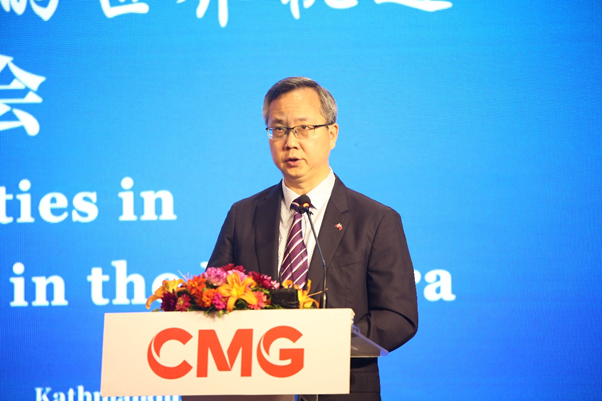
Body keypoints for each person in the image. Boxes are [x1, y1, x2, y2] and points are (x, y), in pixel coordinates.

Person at [208, 77, 418, 401]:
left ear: (332, 134)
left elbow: (399, 316)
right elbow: (213, 299)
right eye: (278, 129)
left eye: (304, 128)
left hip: (341, 389)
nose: (290, 142)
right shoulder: (243, 215)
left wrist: (330, 341)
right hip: (257, 390)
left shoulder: (375, 220)